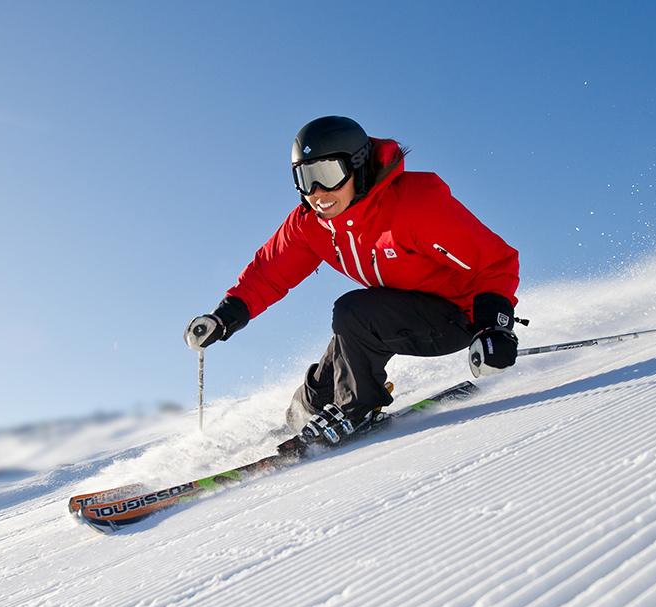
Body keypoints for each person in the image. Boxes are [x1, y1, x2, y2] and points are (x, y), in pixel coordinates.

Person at [184, 116, 520, 446]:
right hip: (394, 313)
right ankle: (305, 414)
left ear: (357, 168)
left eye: (329, 175)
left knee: (352, 313)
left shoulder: (415, 204)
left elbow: (494, 262)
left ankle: (357, 408)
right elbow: (269, 272)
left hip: (460, 318)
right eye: (306, 178)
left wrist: (495, 326)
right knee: (333, 366)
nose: (318, 193)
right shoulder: (311, 225)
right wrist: (223, 318)